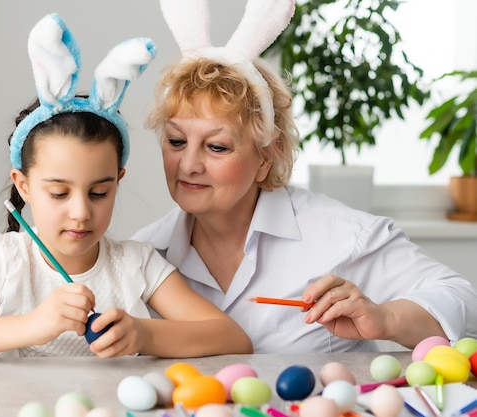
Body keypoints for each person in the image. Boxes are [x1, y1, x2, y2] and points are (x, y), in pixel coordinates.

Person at [0, 13, 252, 360]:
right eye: (59, 193)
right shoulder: (0, 261)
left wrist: (145, 334)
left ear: (117, 182)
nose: (80, 212)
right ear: (24, 185)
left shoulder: (135, 265)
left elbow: (233, 339)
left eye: (99, 193)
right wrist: (32, 326)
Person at [132, 0, 477, 353]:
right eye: (176, 141)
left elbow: (463, 302)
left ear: (267, 154)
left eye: (217, 147)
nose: (188, 165)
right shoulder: (144, 254)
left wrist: (386, 319)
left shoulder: (343, 237)